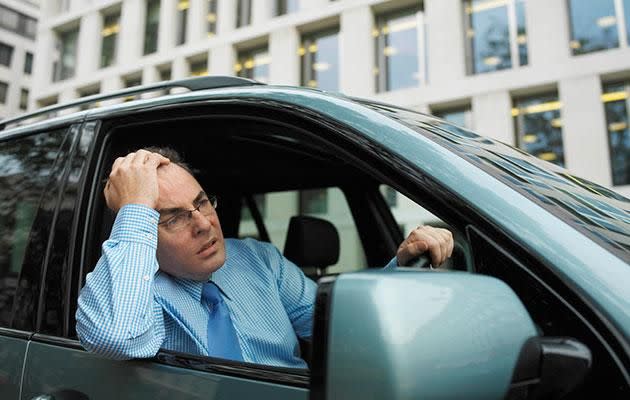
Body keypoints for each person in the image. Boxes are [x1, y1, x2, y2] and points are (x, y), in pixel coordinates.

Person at [76, 148, 454, 369]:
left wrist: (402, 266)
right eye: (173, 218)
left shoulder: (258, 260)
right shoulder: (136, 290)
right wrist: (137, 206)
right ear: (138, 229)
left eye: (202, 203)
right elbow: (116, 336)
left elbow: (337, 326)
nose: (204, 225)